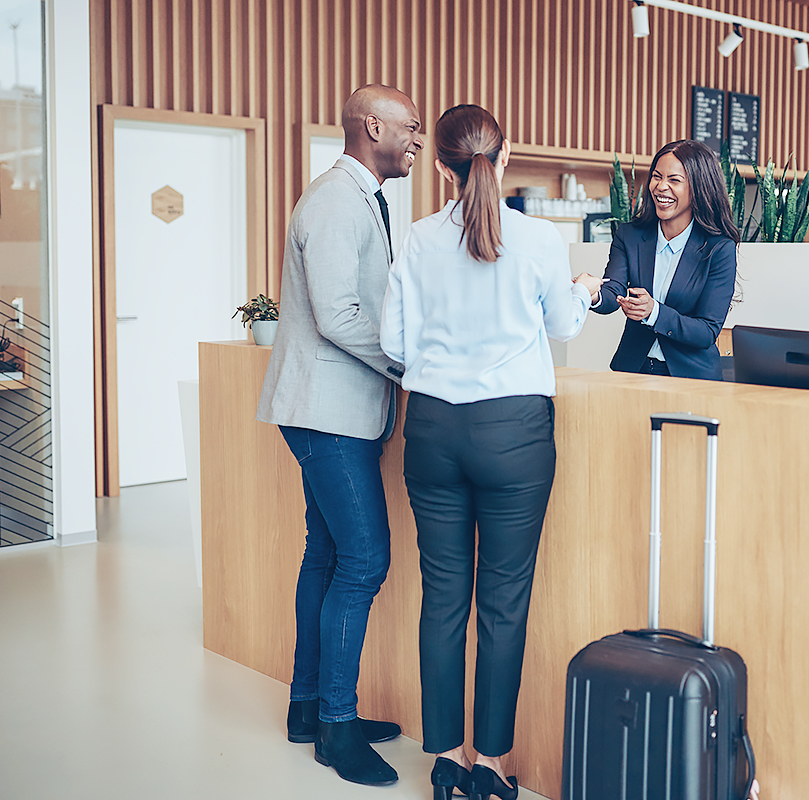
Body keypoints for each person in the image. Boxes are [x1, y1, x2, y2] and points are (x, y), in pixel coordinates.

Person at [379, 104, 600, 800]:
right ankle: (492, 767)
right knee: (504, 604)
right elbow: (564, 326)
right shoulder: (537, 239)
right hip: (515, 434)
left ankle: (444, 760)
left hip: (434, 431)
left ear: (441, 167)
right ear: (503, 160)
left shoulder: (415, 240)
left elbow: (392, 344)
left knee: (443, 597)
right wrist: (581, 293)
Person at [256, 84, 423, 787]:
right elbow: (337, 314)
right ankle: (337, 727)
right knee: (363, 562)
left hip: (339, 413)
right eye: (410, 127)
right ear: (372, 125)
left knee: (325, 557)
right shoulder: (331, 201)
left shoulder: (361, 199)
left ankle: (307, 708)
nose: (416, 139)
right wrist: (407, 363)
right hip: (327, 415)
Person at [577, 139, 739, 380]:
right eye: (656, 176)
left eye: (674, 180)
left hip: (691, 379)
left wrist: (654, 312)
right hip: (634, 371)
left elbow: (707, 331)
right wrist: (594, 294)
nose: (661, 187)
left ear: (699, 187)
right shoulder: (630, 236)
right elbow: (614, 291)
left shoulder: (719, 248)